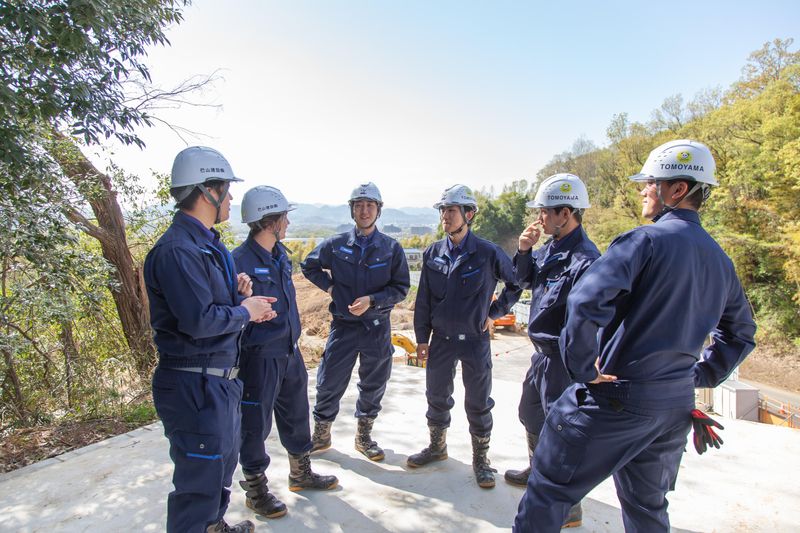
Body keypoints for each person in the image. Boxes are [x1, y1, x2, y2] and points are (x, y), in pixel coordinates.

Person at [513, 140, 757, 532]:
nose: (643, 191)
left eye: (649, 184)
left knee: (548, 492)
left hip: (619, 398)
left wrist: (582, 369)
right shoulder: (719, 260)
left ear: (677, 189)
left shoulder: (644, 242)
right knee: (647, 509)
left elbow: (585, 302)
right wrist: (697, 376)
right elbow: (741, 334)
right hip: (673, 407)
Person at [145, 146, 277, 533]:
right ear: (207, 191)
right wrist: (245, 312)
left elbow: (209, 306)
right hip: (194, 385)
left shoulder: (209, 246)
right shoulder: (178, 251)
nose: (232, 198)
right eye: (227, 189)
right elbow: (199, 322)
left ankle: (213, 526)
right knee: (198, 484)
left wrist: (239, 298)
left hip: (218, 381)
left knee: (219, 469)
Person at [233, 186, 338, 520]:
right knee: (255, 425)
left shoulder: (280, 255)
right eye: (284, 217)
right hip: (259, 357)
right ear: (269, 220)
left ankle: (300, 472)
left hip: (290, 352)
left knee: (296, 413)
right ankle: (255, 490)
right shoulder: (238, 262)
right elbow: (231, 310)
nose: (288, 223)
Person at [408, 184, 522, 489]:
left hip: (474, 341)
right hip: (441, 341)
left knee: (478, 401)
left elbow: (515, 285)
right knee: (436, 396)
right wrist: (422, 339)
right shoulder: (433, 252)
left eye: (451, 211)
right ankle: (437, 447)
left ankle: (481, 460)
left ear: (468, 214)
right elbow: (424, 300)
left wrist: (494, 313)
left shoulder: (487, 252)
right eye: (443, 211)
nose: (445, 217)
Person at [504, 174, 599, 528]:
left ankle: (569, 505)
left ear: (566, 214)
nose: (539, 218)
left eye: (545, 212)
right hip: (541, 356)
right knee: (531, 414)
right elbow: (524, 280)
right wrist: (524, 251)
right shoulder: (551, 248)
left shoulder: (585, 260)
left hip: (563, 359)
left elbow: (588, 320)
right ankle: (538, 472)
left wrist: (582, 364)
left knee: (562, 430)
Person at [301, 182, 410, 461]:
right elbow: (308, 265)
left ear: (378, 210)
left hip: (376, 328)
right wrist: (330, 288)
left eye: (370, 206)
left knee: (374, 383)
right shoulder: (336, 245)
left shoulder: (391, 248)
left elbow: (401, 288)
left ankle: (364, 437)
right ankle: (321, 434)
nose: (364, 211)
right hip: (344, 326)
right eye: (359, 206)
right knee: (329, 381)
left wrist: (372, 300)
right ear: (352, 210)